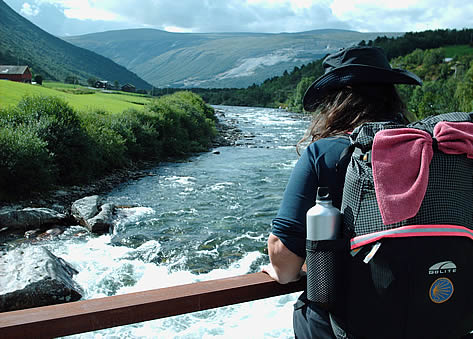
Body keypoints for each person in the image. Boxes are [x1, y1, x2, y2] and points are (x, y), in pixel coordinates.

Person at [262, 46, 423, 339]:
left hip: (351, 325)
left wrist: (283, 264)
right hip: (431, 315)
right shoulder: (431, 152)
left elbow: (284, 267)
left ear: (339, 97)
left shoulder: (325, 154)